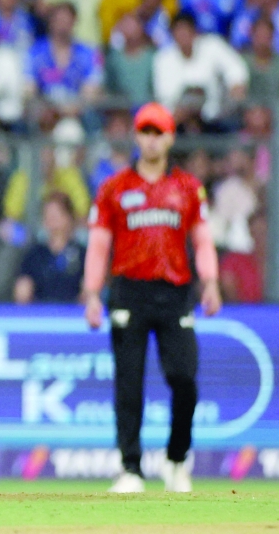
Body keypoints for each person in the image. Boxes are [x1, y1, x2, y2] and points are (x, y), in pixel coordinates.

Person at [83, 102, 221, 494]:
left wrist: (210, 282)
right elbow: (99, 244)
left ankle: (176, 460)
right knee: (128, 383)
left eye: (158, 132)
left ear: (171, 137)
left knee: (184, 377)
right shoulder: (114, 188)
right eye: (145, 131)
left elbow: (202, 239)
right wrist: (92, 293)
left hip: (174, 292)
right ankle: (130, 468)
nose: (152, 139)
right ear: (136, 136)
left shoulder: (188, 188)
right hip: (129, 291)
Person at [14, 193, 85, 304]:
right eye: (48, 214)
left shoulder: (81, 254)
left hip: (72, 311)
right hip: (40, 311)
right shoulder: (34, 254)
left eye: (57, 214)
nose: (52, 219)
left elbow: (87, 291)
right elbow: (23, 289)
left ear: (69, 217)